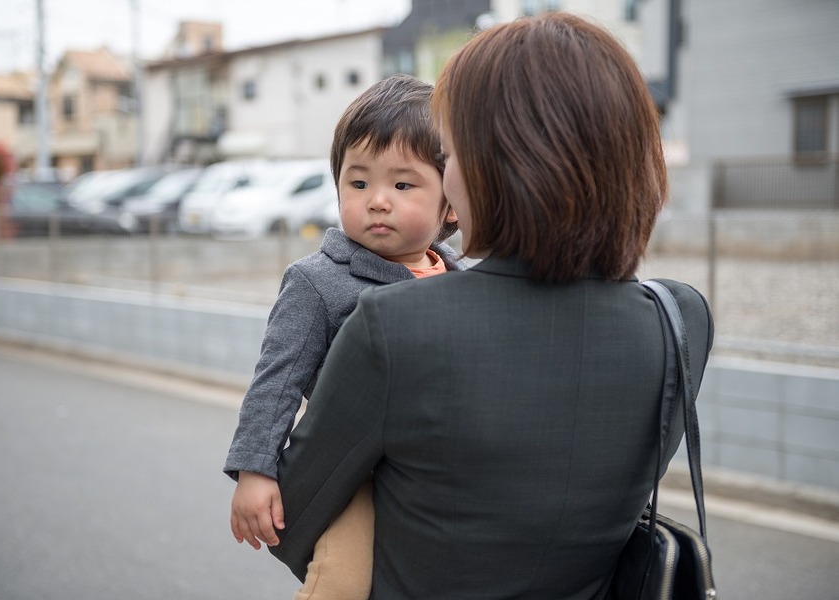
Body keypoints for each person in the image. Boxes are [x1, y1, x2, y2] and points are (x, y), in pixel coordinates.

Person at [268, 13, 715, 599]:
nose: (446, 181)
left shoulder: (395, 323)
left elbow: (290, 520)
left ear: (493, 167)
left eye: (449, 156)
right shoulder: (680, 319)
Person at [224, 74, 462, 598]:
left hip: (437, 464)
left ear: (451, 203)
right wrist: (254, 469)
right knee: (343, 576)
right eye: (358, 183)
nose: (377, 201)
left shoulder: (462, 277)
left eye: (402, 185)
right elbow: (277, 378)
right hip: (355, 468)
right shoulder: (318, 280)